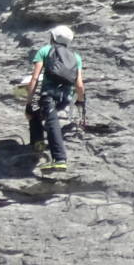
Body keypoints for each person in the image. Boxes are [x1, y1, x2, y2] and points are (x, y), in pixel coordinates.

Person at [25, 24, 85, 173]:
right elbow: (79, 84)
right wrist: (80, 101)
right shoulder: (76, 57)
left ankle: (59, 159)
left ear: (53, 37)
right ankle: (38, 143)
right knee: (39, 114)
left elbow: (35, 78)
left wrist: (29, 102)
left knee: (49, 121)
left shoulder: (45, 50)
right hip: (66, 97)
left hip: (48, 95)